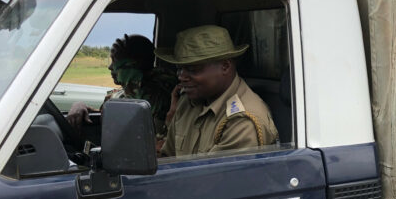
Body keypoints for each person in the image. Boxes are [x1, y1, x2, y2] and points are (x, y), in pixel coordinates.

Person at [158, 25, 278, 157]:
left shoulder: (242, 122)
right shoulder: (187, 102)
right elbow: (167, 157)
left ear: (225, 66)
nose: (181, 76)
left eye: (193, 69)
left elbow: (213, 171)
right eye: (179, 69)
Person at [66, 35, 178, 145]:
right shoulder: (128, 93)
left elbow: (131, 106)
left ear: (134, 65)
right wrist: (81, 106)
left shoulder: (158, 94)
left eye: (116, 61)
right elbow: (111, 110)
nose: (110, 67)